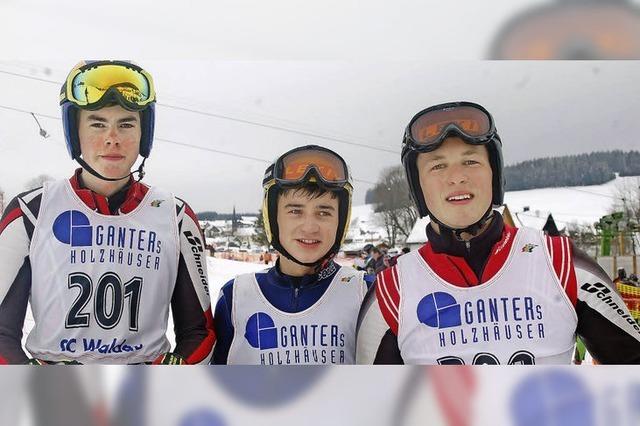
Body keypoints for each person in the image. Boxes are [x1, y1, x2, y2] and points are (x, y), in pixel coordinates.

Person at [356, 101, 640, 364]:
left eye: (471, 161)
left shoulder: (560, 264)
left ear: (495, 174)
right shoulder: (391, 292)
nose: (457, 177)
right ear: (418, 187)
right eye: (438, 165)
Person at [0, 60, 214, 364]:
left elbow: (200, 332)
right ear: (75, 132)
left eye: (126, 123)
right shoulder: (31, 211)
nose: (112, 137)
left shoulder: (175, 216)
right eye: (97, 123)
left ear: (144, 132)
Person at [212, 145, 368, 364]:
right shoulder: (236, 297)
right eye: (295, 211)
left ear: (340, 221)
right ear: (273, 218)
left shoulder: (367, 293)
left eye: (324, 212)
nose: (310, 227)